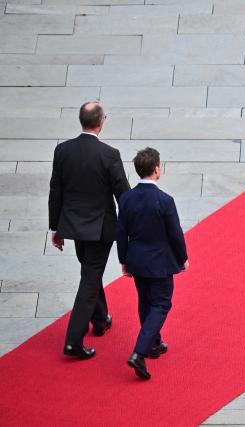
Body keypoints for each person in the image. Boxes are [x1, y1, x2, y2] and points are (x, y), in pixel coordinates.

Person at [49, 101, 130, 359]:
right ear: (101, 122)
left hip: (73, 227)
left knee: (89, 273)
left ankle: (101, 319)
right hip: (100, 229)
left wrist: (56, 227)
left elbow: (56, 191)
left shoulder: (63, 151)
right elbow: (123, 195)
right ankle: (73, 340)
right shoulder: (109, 154)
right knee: (89, 279)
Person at [116, 147, 189, 380]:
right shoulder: (164, 201)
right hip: (160, 262)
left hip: (136, 260)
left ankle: (154, 344)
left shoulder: (126, 198)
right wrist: (183, 257)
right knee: (161, 304)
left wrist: (123, 259)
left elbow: (121, 232)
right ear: (157, 169)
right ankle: (140, 351)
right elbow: (175, 233)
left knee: (145, 302)